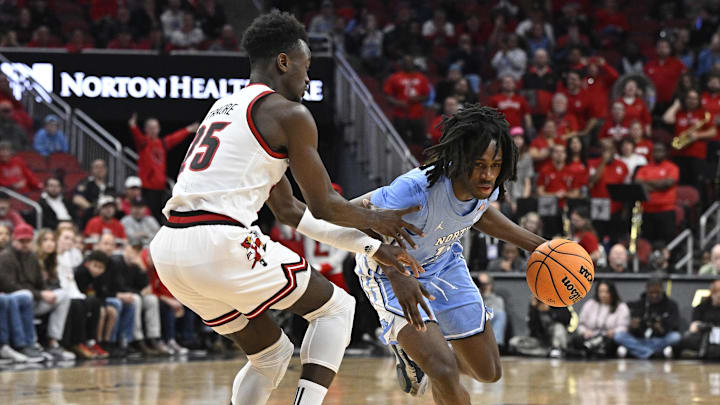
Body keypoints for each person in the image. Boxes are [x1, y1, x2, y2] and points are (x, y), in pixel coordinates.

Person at [150, 11, 421, 405]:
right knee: (337, 309)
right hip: (218, 241)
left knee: (271, 354)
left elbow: (290, 211)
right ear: (283, 62)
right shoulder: (290, 114)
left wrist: (373, 247)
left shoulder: (225, 107)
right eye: (306, 66)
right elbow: (324, 204)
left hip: (170, 251)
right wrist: (379, 222)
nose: (308, 78)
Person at [353, 105, 547, 404]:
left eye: (495, 165)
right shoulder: (415, 188)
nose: (488, 174)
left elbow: (478, 214)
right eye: (479, 164)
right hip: (391, 271)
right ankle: (424, 355)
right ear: (459, 160)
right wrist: (395, 273)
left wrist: (540, 247)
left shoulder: (489, 185)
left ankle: (417, 355)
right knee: (443, 370)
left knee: (488, 371)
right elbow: (355, 214)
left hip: (444, 263)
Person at [0, 224, 69, 361]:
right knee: (25, 295)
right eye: (21, 241)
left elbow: (40, 283)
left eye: (27, 241)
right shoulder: (5, 257)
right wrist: (40, 294)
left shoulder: (32, 257)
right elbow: (9, 286)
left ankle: (53, 341)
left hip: (33, 299)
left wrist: (46, 292)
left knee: (63, 295)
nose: (25, 244)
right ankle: (25, 344)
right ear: (14, 239)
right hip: (16, 297)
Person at [128, 114, 198, 221]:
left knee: (161, 215)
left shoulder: (162, 143)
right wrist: (133, 126)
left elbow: (174, 138)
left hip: (160, 188)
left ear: (159, 129)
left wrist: (188, 130)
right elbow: (136, 134)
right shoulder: (143, 143)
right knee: (150, 215)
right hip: (147, 187)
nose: (153, 130)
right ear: (146, 129)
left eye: (155, 127)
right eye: (150, 128)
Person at [56, 227, 108, 359]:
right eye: (66, 238)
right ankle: (77, 342)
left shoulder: (67, 256)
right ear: (58, 238)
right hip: (59, 292)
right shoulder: (54, 256)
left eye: (72, 239)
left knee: (93, 302)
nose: (69, 242)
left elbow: (70, 281)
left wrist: (79, 294)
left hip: (71, 292)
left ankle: (91, 341)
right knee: (78, 303)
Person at [662, 89, 716, 193]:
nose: (692, 101)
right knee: (681, 184)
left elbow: (713, 132)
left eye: (695, 98)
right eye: (689, 98)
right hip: (679, 154)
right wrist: (676, 105)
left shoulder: (704, 114)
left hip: (697, 155)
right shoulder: (679, 113)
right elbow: (667, 119)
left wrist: (698, 135)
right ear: (685, 99)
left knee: (696, 184)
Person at [614, 279, 681, 359]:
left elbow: (674, 325)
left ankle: (635, 351)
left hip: (660, 339)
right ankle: (653, 353)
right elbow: (629, 324)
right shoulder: (637, 305)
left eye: (657, 293)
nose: (654, 295)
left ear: (662, 291)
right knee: (619, 336)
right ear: (646, 291)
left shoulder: (671, 305)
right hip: (640, 339)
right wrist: (634, 326)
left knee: (675, 337)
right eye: (651, 293)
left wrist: (661, 327)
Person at [634, 143, 680, 244]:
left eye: (661, 151)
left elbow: (668, 183)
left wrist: (648, 183)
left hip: (666, 210)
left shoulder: (672, 167)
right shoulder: (644, 168)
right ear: (652, 153)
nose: (658, 153)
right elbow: (638, 184)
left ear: (665, 153)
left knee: (668, 240)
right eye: (656, 151)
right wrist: (660, 183)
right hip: (647, 210)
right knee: (648, 241)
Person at [570, 280, 629, 358]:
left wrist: (614, 331)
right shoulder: (590, 304)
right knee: (576, 340)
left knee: (611, 342)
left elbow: (624, 327)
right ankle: (591, 350)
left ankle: (594, 351)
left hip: (608, 338)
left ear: (612, 292)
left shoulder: (621, 307)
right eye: (601, 292)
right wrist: (585, 331)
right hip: (591, 336)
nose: (603, 295)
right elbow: (581, 324)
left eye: (606, 292)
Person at [383, 54, 431, 146]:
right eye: (405, 61)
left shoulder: (421, 78)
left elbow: (427, 96)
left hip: (417, 115)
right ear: (402, 63)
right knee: (400, 142)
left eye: (409, 61)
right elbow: (387, 95)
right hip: (400, 115)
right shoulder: (395, 77)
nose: (407, 63)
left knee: (420, 141)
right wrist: (396, 102)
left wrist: (418, 98)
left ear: (413, 63)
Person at [588, 140, 628, 244]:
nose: (607, 152)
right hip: (599, 205)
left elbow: (626, 189)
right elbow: (592, 181)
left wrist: (624, 208)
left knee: (614, 237)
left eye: (610, 149)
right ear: (601, 150)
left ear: (614, 150)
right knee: (598, 236)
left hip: (616, 206)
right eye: (605, 149)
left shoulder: (622, 165)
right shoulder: (593, 163)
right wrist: (603, 163)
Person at [645, 39, 687, 114]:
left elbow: (685, 80)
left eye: (665, 47)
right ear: (656, 49)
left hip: (671, 101)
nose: (662, 49)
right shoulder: (649, 65)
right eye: (660, 47)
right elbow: (644, 83)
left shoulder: (678, 64)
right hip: (652, 101)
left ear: (670, 49)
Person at [682, 280, 720, 358]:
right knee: (687, 337)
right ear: (712, 293)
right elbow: (693, 327)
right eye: (717, 293)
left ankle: (699, 354)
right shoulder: (702, 306)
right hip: (704, 336)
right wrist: (703, 326)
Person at [72, 159, 114, 226]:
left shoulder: (110, 186)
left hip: (108, 215)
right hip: (91, 214)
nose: (100, 170)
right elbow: (77, 199)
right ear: (92, 170)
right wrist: (93, 208)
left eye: (102, 167)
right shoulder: (86, 183)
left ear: (106, 170)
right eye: (97, 167)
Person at [476, 272, 507, 350]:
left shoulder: (497, 300)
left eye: (485, 284)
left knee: (500, 314)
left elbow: (492, 315)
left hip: (487, 327)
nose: (483, 287)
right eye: (481, 284)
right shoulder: (470, 298)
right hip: (473, 327)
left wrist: (486, 296)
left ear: (491, 285)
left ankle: (495, 346)